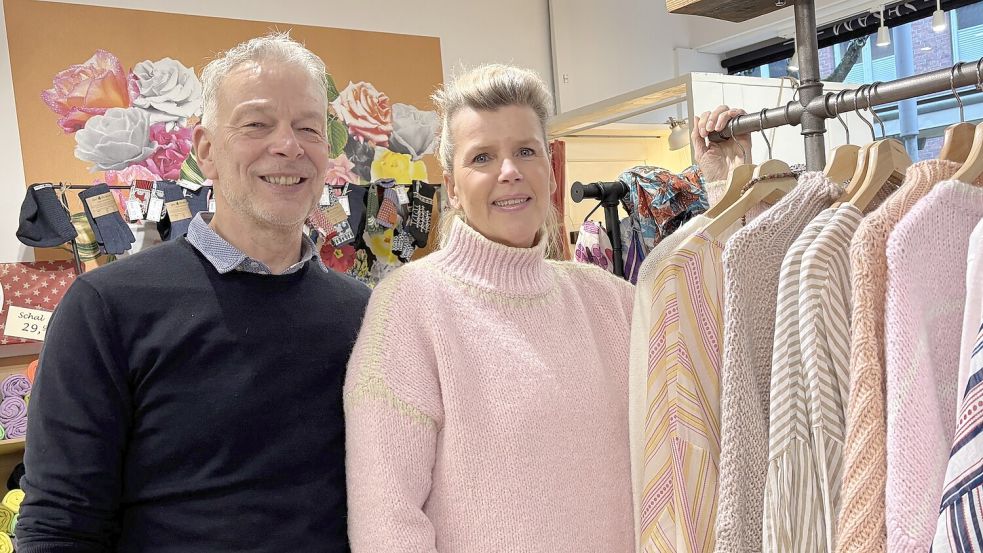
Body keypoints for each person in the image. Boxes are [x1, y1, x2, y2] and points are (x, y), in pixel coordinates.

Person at [18, 32, 370, 553]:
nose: (288, 146)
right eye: (256, 124)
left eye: (309, 128)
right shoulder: (107, 307)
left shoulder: (365, 313)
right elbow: (60, 525)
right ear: (206, 150)